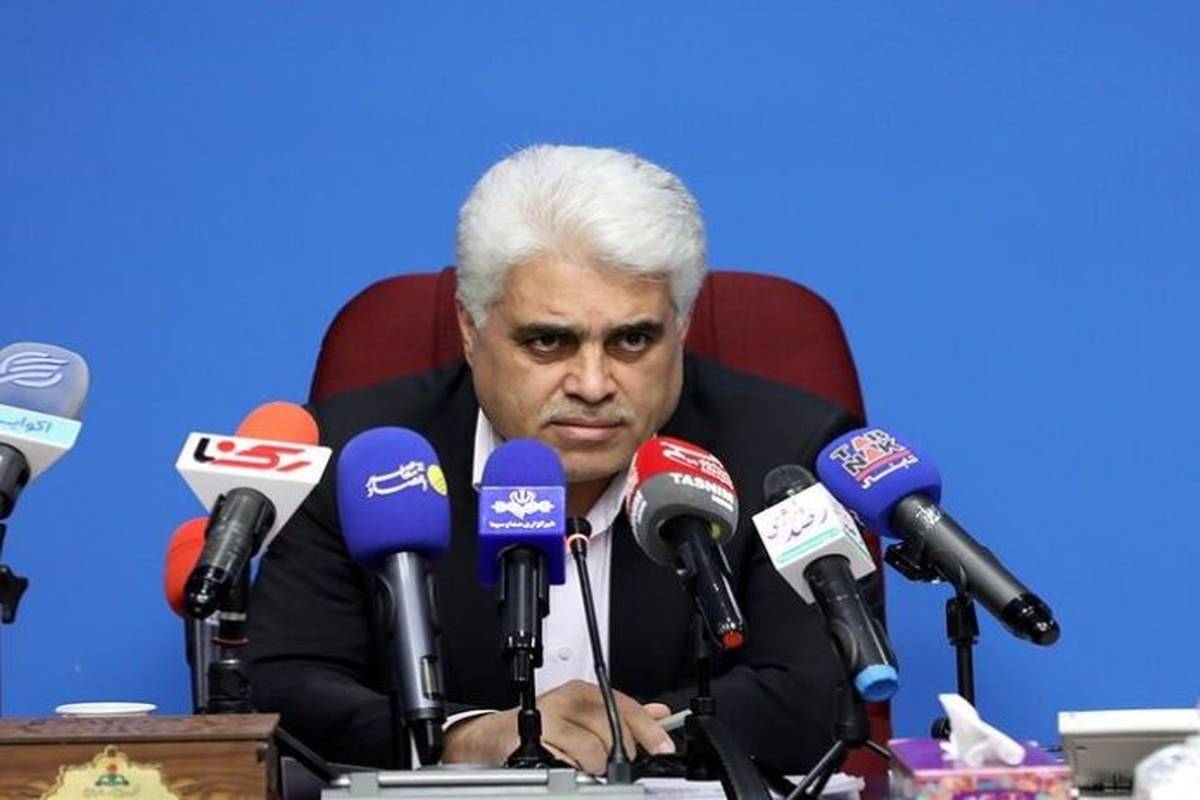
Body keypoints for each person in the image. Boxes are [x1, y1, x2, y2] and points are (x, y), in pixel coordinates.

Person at [246, 145, 862, 775]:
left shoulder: (784, 454)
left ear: (680, 328)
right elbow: (283, 686)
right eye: (547, 341)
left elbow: (816, 695)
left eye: (632, 340)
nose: (593, 385)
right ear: (470, 328)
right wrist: (462, 737)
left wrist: (618, 740)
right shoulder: (355, 460)